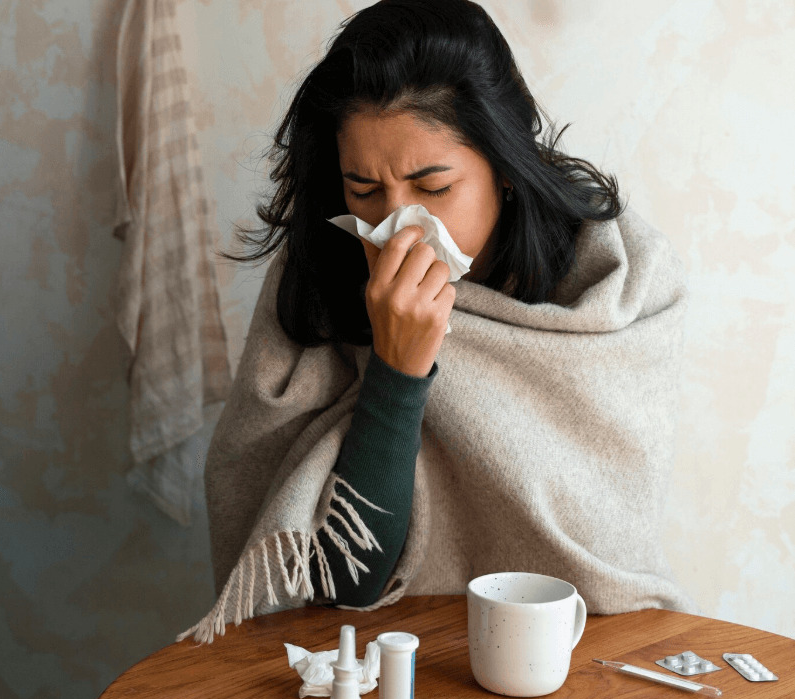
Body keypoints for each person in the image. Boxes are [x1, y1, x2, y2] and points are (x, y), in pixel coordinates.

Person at [179, 0, 696, 644]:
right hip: (382, 656)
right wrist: (397, 372)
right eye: (365, 192)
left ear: (504, 168)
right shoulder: (318, 275)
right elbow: (339, 581)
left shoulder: (620, 285)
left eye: (432, 188)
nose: (401, 227)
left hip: (583, 653)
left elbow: (601, 553)